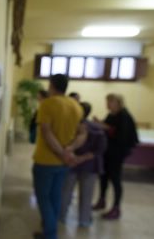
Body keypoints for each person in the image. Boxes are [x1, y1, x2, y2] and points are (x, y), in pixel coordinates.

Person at [32, 74, 84, 239]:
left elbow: (46, 133)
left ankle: (50, 234)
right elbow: (83, 133)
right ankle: (49, 231)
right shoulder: (76, 106)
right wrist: (70, 150)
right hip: (64, 163)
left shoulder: (47, 104)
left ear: (51, 85)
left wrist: (63, 153)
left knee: (43, 199)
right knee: (54, 197)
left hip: (45, 161)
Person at [60, 102, 107, 227]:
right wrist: (84, 158)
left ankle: (61, 217)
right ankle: (84, 220)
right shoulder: (97, 129)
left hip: (71, 163)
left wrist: (76, 158)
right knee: (87, 194)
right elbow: (100, 149)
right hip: (90, 166)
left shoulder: (70, 126)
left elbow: (64, 144)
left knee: (65, 192)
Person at [92, 93, 138, 220]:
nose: (107, 104)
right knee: (103, 176)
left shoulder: (124, 116)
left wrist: (104, 126)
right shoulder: (111, 115)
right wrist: (100, 123)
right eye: (107, 101)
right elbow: (107, 127)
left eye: (110, 102)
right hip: (108, 151)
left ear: (117, 102)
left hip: (117, 152)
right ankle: (102, 200)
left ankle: (116, 208)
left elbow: (121, 134)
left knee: (115, 179)